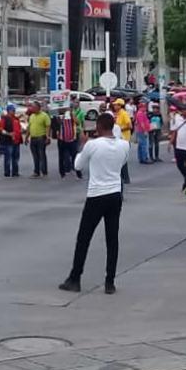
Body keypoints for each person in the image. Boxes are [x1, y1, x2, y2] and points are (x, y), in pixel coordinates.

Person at [58, 112, 129, 295]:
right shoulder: (124, 145)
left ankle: (75, 277)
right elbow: (122, 164)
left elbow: (78, 166)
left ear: (98, 127)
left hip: (97, 194)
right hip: (115, 193)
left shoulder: (92, 145)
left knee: (84, 237)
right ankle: (110, 281)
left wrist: (82, 144)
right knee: (112, 238)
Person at [53, 106, 82, 179]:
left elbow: (78, 123)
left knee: (75, 157)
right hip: (62, 139)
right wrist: (60, 115)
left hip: (72, 139)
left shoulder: (71, 115)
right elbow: (57, 124)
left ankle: (78, 173)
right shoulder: (59, 115)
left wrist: (72, 114)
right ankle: (62, 173)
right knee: (61, 157)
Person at [0, 104, 23, 177]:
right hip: (8, 141)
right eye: (13, 110)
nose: (14, 111)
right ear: (9, 111)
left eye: (14, 110)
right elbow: (0, 129)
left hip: (16, 141)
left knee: (16, 157)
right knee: (8, 157)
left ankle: (15, 172)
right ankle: (7, 172)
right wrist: (9, 134)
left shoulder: (16, 119)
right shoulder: (4, 119)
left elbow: (18, 128)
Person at [27, 101, 51, 178]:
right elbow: (29, 127)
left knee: (41, 155)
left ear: (38, 108)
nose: (32, 109)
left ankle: (44, 171)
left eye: (33, 107)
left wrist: (47, 137)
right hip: (33, 138)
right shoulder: (31, 116)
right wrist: (27, 137)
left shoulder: (44, 116)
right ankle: (36, 172)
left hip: (41, 137)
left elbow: (48, 127)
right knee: (35, 156)